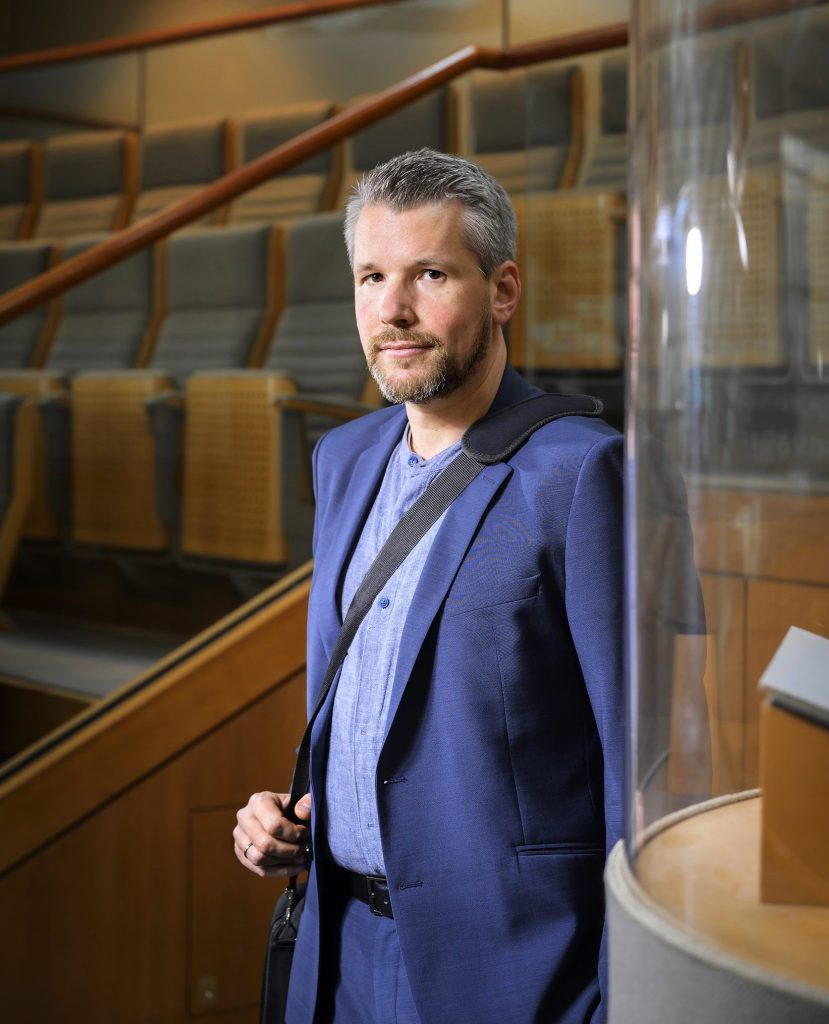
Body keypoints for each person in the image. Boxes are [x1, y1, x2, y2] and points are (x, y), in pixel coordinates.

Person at [234, 148, 625, 1024]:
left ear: (504, 291)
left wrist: (618, 1000)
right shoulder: (343, 460)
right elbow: (374, 703)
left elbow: (640, 774)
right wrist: (291, 816)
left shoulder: (581, 474)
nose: (393, 310)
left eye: (430, 274)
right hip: (338, 954)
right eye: (372, 276)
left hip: (516, 975)